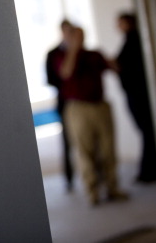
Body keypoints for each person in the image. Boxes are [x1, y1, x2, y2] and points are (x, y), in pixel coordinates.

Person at [58, 26, 128, 206]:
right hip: (78, 108)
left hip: (100, 105)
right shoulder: (60, 55)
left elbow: (115, 68)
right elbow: (66, 73)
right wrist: (73, 49)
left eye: (82, 35)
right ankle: (92, 191)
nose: (80, 39)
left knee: (107, 148)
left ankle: (112, 187)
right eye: (76, 36)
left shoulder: (94, 54)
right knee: (85, 150)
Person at [116, 13, 156, 183]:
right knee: (147, 132)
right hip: (138, 94)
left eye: (120, 23)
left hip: (139, 95)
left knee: (147, 131)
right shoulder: (131, 40)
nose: (117, 27)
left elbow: (128, 67)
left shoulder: (134, 40)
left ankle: (148, 172)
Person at [46, 20, 75, 191]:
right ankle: (69, 179)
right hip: (65, 101)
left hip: (81, 102)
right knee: (67, 142)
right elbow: (52, 78)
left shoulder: (80, 51)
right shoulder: (53, 54)